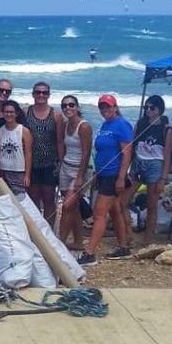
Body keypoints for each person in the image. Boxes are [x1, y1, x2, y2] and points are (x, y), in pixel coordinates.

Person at [77, 94, 134, 266]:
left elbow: (127, 153)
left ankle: (90, 253)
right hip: (103, 173)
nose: (105, 110)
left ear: (115, 107)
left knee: (99, 213)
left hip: (114, 175)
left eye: (108, 106)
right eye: (102, 107)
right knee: (114, 210)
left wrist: (121, 177)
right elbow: (102, 152)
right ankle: (123, 247)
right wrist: (96, 173)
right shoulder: (105, 125)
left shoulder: (122, 125)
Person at [120, 95, 172, 247]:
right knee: (123, 200)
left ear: (159, 110)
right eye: (146, 107)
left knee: (151, 204)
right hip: (138, 163)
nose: (148, 110)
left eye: (152, 108)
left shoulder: (166, 129)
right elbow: (132, 147)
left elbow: (167, 155)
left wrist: (163, 179)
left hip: (155, 165)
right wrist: (125, 170)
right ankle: (128, 234)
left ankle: (147, 239)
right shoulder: (141, 124)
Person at [25, 81, 64, 222]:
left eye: (44, 92)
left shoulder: (56, 115)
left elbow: (60, 141)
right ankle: (37, 234)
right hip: (31, 164)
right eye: (38, 92)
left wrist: (61, 162)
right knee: (33, 199)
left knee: (48, 200)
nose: (41, 95)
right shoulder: (25, 112)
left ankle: (49, 234)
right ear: (33, 94)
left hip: (50, 164)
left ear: (49, 95)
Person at [58, 95, 92, 251]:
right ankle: (78, 242)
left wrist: (80, 177)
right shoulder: (65, 125)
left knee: (66, 206)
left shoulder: (84, 127)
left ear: (77, 107)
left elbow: (86, 153)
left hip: (80, 170)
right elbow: (63, 146)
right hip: (66, 167)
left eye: (71, 105)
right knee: (74, 207)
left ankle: (59, 243)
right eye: (64, 106)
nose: (68, 108)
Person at [0, 99, 32, 197]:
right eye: (6, 112)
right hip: (2, 170)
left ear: (16, 113)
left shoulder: (24, 131)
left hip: (19, 171)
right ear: (3, 113)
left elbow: (28, 154)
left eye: (11, 112)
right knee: (4, 201)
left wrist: (27, 176)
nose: (9, 114)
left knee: (19, 201)